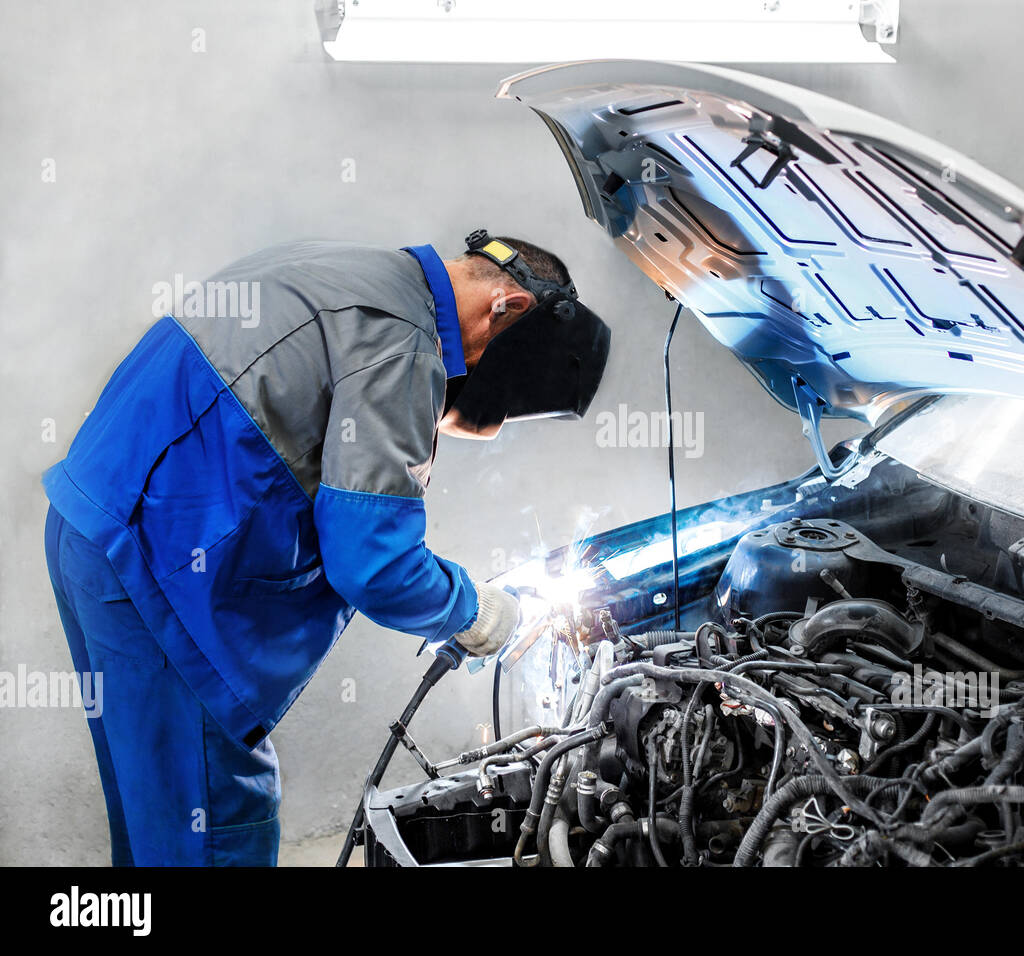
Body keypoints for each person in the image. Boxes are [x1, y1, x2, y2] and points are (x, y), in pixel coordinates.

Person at [42, 231, 611, 865]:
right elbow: (375, 565)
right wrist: (480, 613)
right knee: (214, 823)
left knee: (158, 813)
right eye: (478, 364)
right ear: (505, 308)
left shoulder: (345, 268)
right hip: (157, 574)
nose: (461, 381)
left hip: (91, 524)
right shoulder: (403, 339)